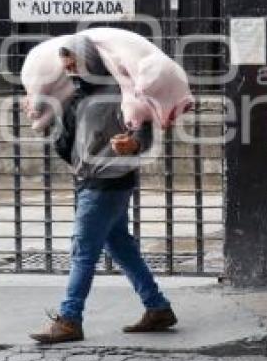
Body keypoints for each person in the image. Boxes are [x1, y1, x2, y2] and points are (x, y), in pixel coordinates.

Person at [29, 35, 177, 344]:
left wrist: (133, 144)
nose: (70, 70)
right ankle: (157, 307)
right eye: (66, 66)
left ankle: (70, 319)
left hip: (107, 183)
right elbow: (65, 144)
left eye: (75, 64)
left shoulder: (121, 93)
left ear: (90, 61)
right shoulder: (77, 96)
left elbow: (145, 135)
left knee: (83, 250)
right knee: (119, 245)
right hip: (90, 181)